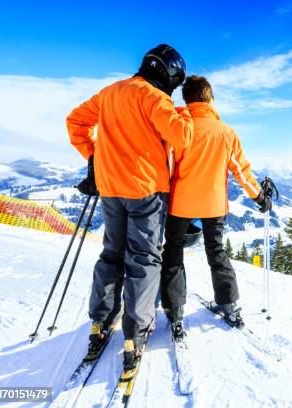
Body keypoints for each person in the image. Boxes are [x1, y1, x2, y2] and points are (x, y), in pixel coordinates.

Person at [66, 44, 194, 371]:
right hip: (145, 191)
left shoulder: (110, 92)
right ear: (168, 75)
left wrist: (94, 159)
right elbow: (181, 137)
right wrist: (184, 112)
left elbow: (76, 122)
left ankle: (100, 321)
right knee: (144, 259)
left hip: (110, 188)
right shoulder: (155, 98)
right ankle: (135, 331)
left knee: (112, 252)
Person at [160, 75, 272, 341]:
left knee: (173, 252)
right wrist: (258, 197)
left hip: (180, 203)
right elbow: (241, 171)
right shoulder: (225, 132)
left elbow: (167, 168)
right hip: (213, 204)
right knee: (216, 250)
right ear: (209, 97)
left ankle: (175, 312)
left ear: (187, 99)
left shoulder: (179, 129)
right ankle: (229, 305)